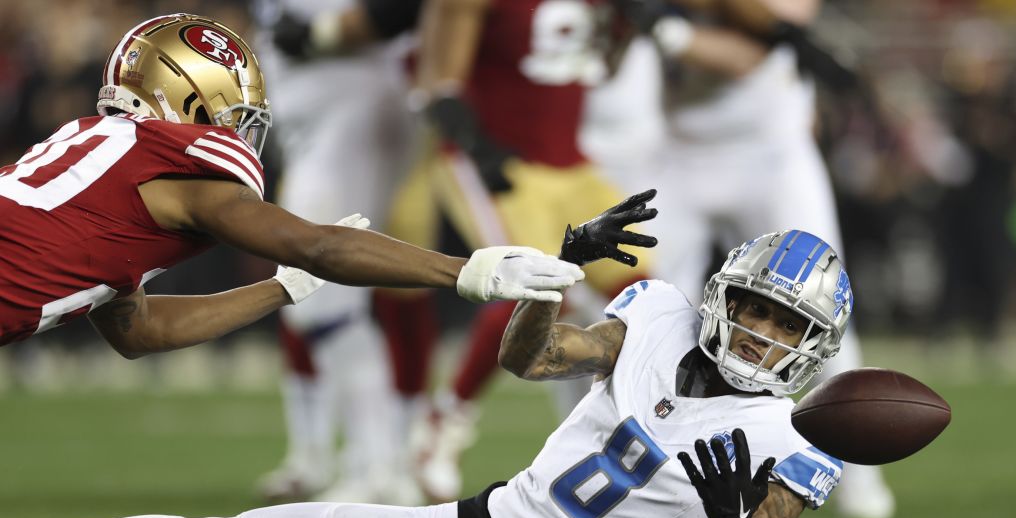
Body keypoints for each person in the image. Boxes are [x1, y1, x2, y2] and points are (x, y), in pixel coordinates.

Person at [0, 226, 852, 518]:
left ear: (814, 345)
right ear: (722, 294)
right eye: (754, 306)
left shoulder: (792, 443)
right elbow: (531, 360)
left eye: (787, 324)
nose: (761, 330)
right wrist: (549, 276)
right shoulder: (658, 317)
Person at [0, 13, 583, 355]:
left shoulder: (91, 152)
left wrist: (283, 289)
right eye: (231, 111)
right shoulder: (178, 170)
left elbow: (141, 331)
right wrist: (467, 271)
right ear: (189, 98)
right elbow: (320, 245)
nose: (237, 129)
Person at [590, 0, 896, 518]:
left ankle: (856, 470)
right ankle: (636, 459)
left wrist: (665, 27)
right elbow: (609, 62)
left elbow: (749, 50)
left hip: (770, 155)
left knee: (820, 305)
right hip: (678, 151)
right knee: (650, 314)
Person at [376, 0, 656, 504]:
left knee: (643, 298)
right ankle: (446, 421)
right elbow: (438, 84)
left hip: (569, 162)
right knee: (538, 284)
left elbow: (598, 68)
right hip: (498, 155)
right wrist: (474, 143)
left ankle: (601, 436)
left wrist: (631, 23)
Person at [248, 1, 427, 505]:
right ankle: (373, 463)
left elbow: (401, 11)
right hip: (324, 116)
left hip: (353, 105)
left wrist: (320, 35)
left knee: (319, 294)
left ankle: (379, 467)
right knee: (317, 298)